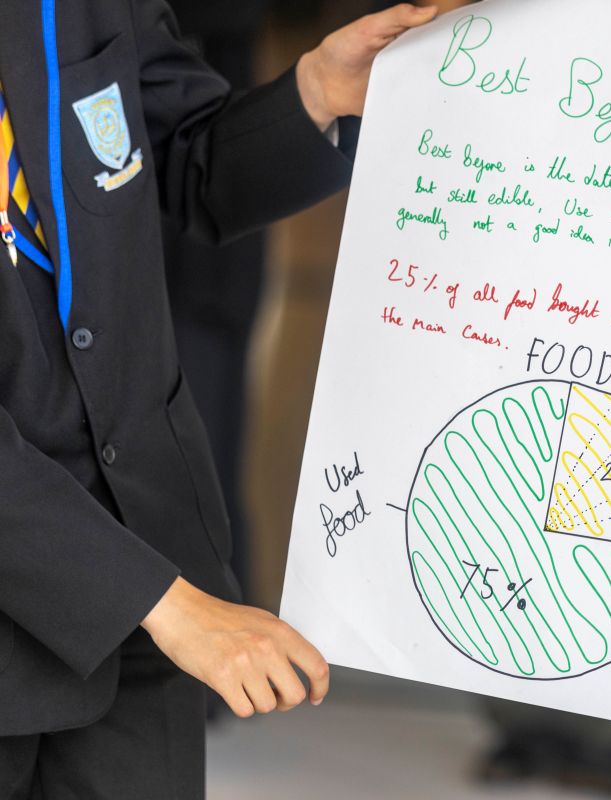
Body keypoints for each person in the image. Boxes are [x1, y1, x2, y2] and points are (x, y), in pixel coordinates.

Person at [0, 2, 436, 798]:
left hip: (152, 575)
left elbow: (180, 159)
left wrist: (318, 90)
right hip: (96, 593)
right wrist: (168, 607)